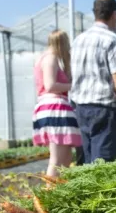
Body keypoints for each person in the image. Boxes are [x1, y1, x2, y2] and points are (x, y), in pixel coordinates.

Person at [69, 0, 116, 164]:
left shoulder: (78, 40)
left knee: (85, 165)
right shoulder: (111, 39)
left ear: (95, 13)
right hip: (102, 111)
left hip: (80, 110)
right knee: (102, 169)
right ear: (114, 15)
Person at [31, 30, 82, 178]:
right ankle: (48, 195)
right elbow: (50, 85)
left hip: (50, 108)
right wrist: (74, 85)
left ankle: (57, 191)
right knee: (57, 159)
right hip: (54, 108)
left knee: (65, 157)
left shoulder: (42, 58)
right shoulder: (51, 58)